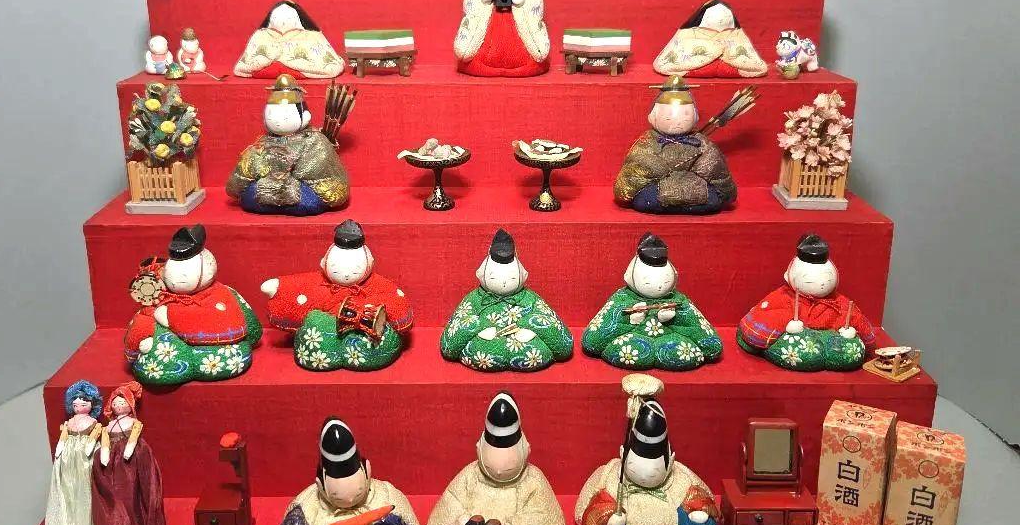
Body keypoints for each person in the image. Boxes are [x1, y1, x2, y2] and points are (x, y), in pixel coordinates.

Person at [575, 378, 719, 525]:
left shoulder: (679, 476)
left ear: (671, 460)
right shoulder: (612, 475)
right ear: (622, 454)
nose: (644, 475)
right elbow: (590, 510)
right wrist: (609, 516)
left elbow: (701, 496)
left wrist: (698, 510)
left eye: (654, 470)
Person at [270, 419, 422, 525]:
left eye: (357, 492)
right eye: (337, 496)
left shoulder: (386, 494)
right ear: (320, 485)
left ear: (368, 471)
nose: (349, 500)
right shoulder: (309, 499)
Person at [426, 393, 567, 525]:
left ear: (526, 450)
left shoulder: (533, 480)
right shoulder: (471, 474)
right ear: (478, 448)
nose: (499, 470)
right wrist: (460, 522)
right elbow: (444, 511)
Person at [261, 220, 414, 371]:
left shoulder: (375, 284)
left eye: (354, 269)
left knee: (371, 338)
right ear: (323, 263)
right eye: (336, 268)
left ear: (370, 264)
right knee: (316, 322)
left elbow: (393, 299)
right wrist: (278, 287)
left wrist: (369, 307)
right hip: (326, 328)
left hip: (361, 328)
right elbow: (297, 285)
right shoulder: (320, 282)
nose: (346, 275)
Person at [125, 225, 263, 385]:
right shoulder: (166, 297)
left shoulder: (222, 292)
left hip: (221, 351)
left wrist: (169, 316)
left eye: (183, 273)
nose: (177, 280)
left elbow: (247, 325)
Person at [737, 233, 877, 371]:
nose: (821, 283)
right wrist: (788, 326)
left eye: (826, 277)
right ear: (788, 276)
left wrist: (850, 332)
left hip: (831, 338)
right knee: (804, 350)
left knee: (848, 350)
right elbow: (765, 318)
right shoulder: (786, 298)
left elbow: (858, 322)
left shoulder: (838, 302)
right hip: (798, 336)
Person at [582, 234, 722, 370]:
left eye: (666, 280)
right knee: (628, 348)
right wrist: (631, 319)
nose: (659, 286)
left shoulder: (678, 299)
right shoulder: (622, 298)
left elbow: (706, 338)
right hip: (631, 340)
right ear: (629, 276)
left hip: (671, 341)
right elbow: (593, 340)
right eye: (647, 281)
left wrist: (674, 318)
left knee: (679, 350)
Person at [440, 229, 573, 372]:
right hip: (483, 350)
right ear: (481, 275)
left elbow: (562, 345)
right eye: (493, 278)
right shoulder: (475, 299)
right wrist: (481, 326)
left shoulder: (530, 298)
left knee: (542, 346)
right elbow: (449, 346)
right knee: (479, 345)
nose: (504, 283)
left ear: (523, 276)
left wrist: (529, 328)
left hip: (528, 350)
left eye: (512, 278)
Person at [225, 74, 350, 216]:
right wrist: (262, 171)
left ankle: (281, 203)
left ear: (305, 117)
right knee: (249, 195)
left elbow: (324, 174)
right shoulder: (263, 142)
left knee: (309, 201)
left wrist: (288, 179)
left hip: (303, 193)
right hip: (263, 191)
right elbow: (237, 185)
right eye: (271, 116)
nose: (277, 122)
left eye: (285, 117)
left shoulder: (315, 141)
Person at [614, 76, 738, 215]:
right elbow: (629, 180)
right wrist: (655, 167)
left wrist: (705, 165)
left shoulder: (701, 143)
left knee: (713, 198)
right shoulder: (646, 142)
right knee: (645, 198)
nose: (678, 121)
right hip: (656, 193)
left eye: (686, 114)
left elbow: (719, 176)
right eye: (668, 115)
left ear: (695, 116)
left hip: (699, 192)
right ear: (653, 116)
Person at [91, 383, 167, 525]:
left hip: (131, 460)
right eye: (115, 403)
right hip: (112, 464)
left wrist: (130, 448)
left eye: (122, 402)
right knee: (115, 498)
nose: (118, 406)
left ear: (130, 404)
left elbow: (134, 437)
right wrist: (104, 453)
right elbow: (105, 441)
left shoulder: (134, 423)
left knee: (132, 495)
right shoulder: (108, 426)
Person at [453, 0, 550, 77]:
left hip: (518, 33)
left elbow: (535, 5)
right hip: (490, 29)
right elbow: (472, 4)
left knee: (531, 55)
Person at [44, 380, 103, 525]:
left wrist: (90, 446)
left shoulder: (94, 422)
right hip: (68, 458)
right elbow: (63, 438)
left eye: (84, 399)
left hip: (86, 456)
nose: (80, 401)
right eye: (76, 399)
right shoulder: (69, 423)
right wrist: (60, 450)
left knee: (86, 491)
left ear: (92, 403)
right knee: (69, 491)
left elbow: (95, 435)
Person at [652, 0, 768, 79]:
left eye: (725, 16)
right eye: (716, 16)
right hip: (696, 65)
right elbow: (681, 49)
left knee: (735, 67)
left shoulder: (736, 32)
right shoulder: (689, 32)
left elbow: (744, 51)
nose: (721, 20)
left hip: (730, 64)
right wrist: (714, 48)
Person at [233, 1, 344, 80]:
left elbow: (328, 66)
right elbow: (247, 64)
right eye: (277, 17)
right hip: (268, 70)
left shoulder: (311, 35)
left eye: (288, 18)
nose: (282, 22)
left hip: (295, 71)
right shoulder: (261, 34)